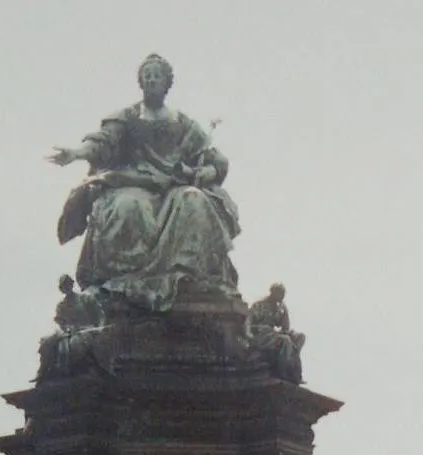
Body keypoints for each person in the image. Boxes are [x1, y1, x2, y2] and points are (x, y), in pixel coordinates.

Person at [47, 53, 240, 312]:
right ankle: (123, 284)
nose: (151, 80)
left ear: (167, 83)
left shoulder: (183, 124)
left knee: (195, 200)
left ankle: (185, 278)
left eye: (156, 76)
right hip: (132, 182)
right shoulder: (127, 117)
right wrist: (75, 154)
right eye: (146, 76)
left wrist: (206, 172)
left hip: (173, 186)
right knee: (128, 208)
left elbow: (217, 161)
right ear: (140, 82)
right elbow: (101, 143)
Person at [246, 283, 306, 383]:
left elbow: (285, 327)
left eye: (283, 294)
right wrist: (249, 335)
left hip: (273, 334)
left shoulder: (280, 307)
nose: (282, 297)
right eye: (280, 294)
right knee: (285, 340)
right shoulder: (259, 305)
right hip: (261, 335)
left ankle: (294, 370)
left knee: (300, 337)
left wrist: (285, 317)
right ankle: (282, 371)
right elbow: (248, 322)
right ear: (273, 293)